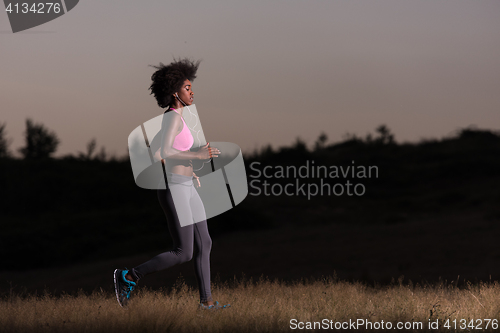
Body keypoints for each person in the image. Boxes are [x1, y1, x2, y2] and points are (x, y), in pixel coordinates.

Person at [114, 58, 230, 310]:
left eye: (191, 87)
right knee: (183, 252)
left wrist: (190, 169)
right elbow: (162, 152)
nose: (192, 91)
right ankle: (129, 276)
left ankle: (206, 303)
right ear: (175, 92)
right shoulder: (172, 118)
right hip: (174, 188)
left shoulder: (178, 118)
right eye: (187, 87)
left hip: (186, 185)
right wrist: (197, 156)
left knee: (206, 243)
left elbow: (158, 149)